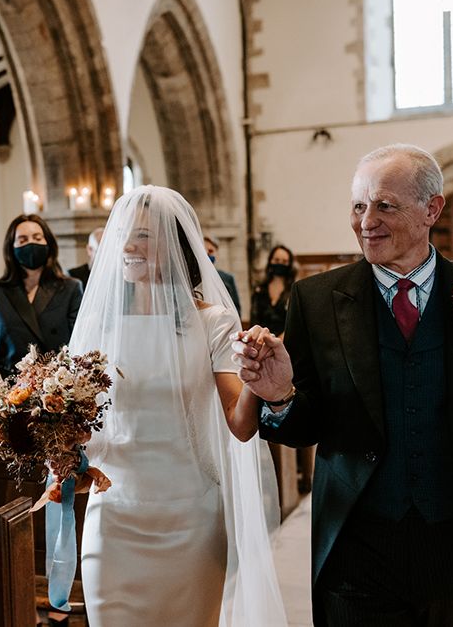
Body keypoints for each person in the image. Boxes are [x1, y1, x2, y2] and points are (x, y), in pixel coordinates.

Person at [232, 144, 453, 626]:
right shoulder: (315, 301)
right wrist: (281, 397)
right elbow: (306, 424)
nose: (366, 220)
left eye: (384, 205)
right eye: (358, 205)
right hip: (358, 549)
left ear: (432, 209)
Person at [69, 186, 286, 627]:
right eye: (125, 234)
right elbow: (79, 421)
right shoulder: (98, 324)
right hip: (113, 513)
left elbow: (240, 427)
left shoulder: (212, 322)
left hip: (190, 515)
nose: (129, 245)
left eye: (145, 236)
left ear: (174, 245)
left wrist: (256, 380)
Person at [0, 214, 83, 395]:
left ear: (48, 243)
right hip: (10, 394)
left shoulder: (71, 288)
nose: (31, 244)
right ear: (11, 248)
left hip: (57, 393)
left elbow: (80, 343)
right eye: (22, 239)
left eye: (37, 238)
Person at [250, 244, 296, 336]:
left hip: (286, 342)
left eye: (284, 261)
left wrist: (279, 340)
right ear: (270, 261)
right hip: (262, 341)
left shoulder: (294, 290)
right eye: (277, 260)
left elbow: (295, 322)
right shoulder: (259, 290)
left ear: (289, 264)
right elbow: (254, 319)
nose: (280, 263)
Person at [204, 234, 242, 317]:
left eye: (210, 251)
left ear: (216, 253)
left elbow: (236, 307)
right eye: (204, 251)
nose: (207, 254)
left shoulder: (227, 278)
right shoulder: (194, 279)